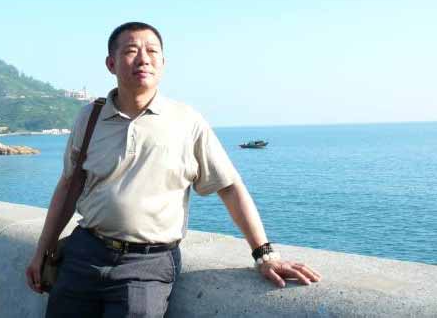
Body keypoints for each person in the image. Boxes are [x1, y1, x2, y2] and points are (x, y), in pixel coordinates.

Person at [25, 22, 321, 317]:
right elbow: (69, 184)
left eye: (152, 51)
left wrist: (265, 254)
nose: (143, 59)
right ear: (111, 64)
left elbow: (230, 187)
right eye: (131, 51)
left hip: (146, 265)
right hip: (84, 254)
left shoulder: (186, 121)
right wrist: (42, 250)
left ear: (163, 64)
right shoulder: (90, 117)